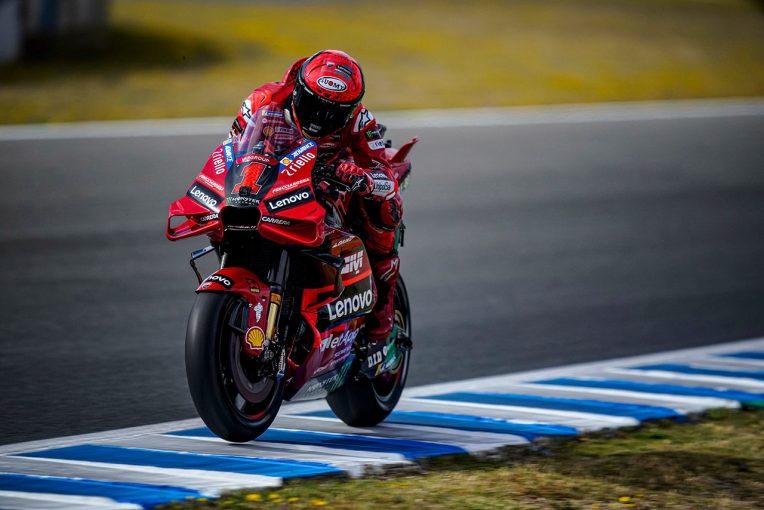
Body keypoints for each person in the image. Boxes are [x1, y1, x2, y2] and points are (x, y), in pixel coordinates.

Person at [228, 49, 402, 359]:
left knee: (388, 208)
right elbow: (230, 149)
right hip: (271, 180)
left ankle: (381, 326)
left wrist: (363, 179)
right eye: (313, 106)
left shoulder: (361, 120)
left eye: (333, 113)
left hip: (331, 184)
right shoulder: (262, 100)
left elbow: (385, 176)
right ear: (298, 91)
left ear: (350, 110)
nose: (319, 119)